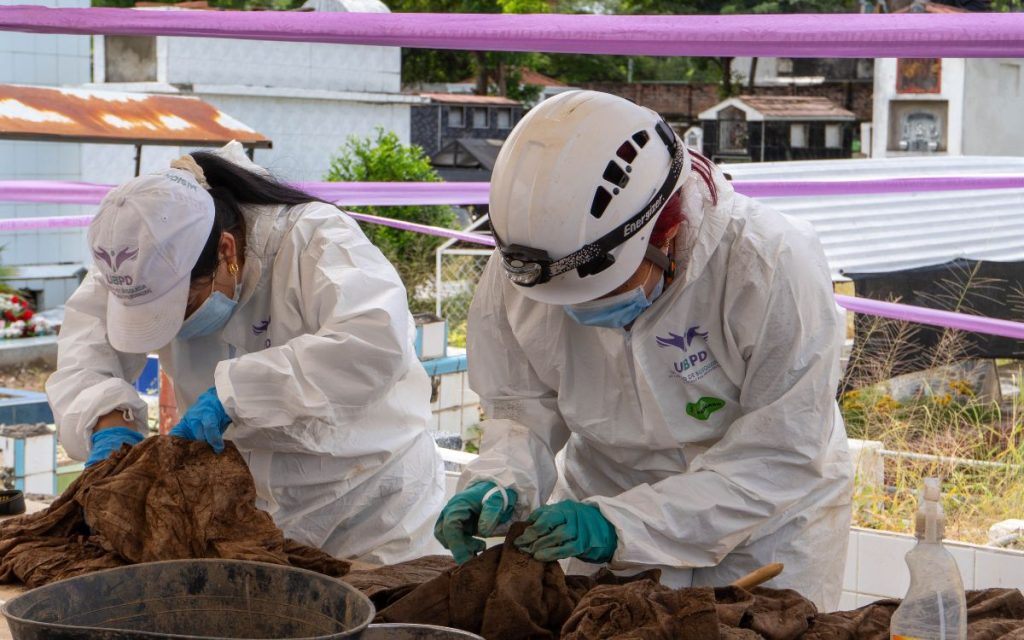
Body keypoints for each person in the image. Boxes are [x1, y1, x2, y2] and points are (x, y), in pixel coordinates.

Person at [433, 90, 853, 610]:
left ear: (668, 231)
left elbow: (779, 452)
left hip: (765, 521)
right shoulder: (531, 264)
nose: (580, 310)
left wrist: (621, 525)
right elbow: (520, 408)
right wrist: (500, 481)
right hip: (607, 494)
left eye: (602, 289)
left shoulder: (769, 263)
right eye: (565, 297)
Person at [46, 142, 446, 564]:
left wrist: (238, 394)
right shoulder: (134, 260)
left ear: (226, 252)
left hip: (369, 508)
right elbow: (85, 349)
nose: (175, 327)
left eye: (184, 305)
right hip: (245, 516)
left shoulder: (313, 238)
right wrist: (108, 423)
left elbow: (374, 342)